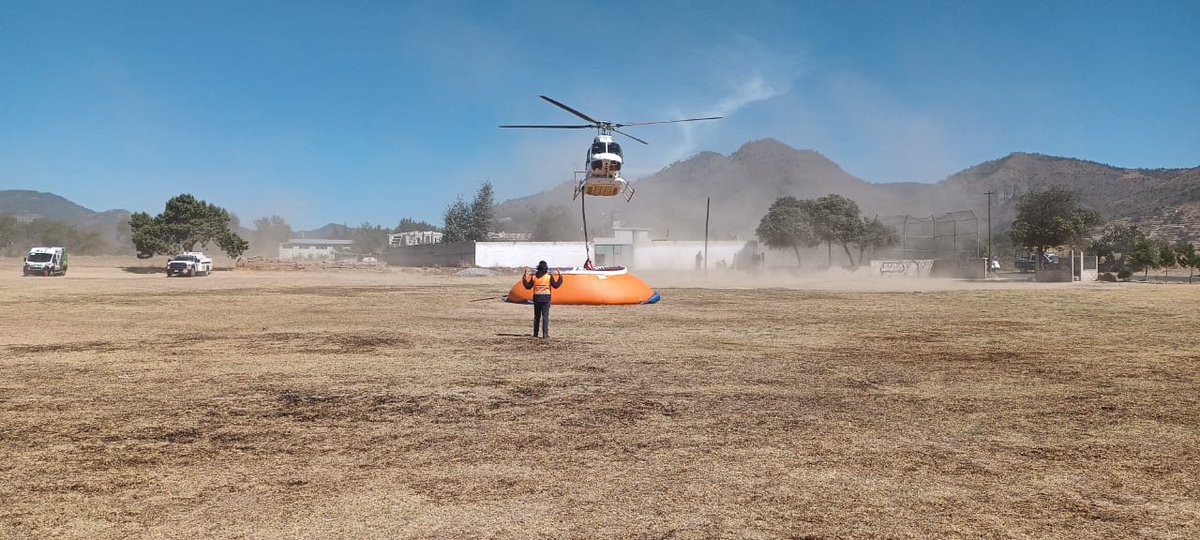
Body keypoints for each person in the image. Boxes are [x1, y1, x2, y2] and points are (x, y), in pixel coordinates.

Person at [522, 260, 563, 338]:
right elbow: (556, 285)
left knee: (537, 317)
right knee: (545, 316)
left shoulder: (534, 276)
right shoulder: (549, 276)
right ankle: (545, 334)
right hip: (546, 298)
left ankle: (535, 334)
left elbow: (528, 286)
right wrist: (560, 276)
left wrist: (524, 277)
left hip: (537, 298)